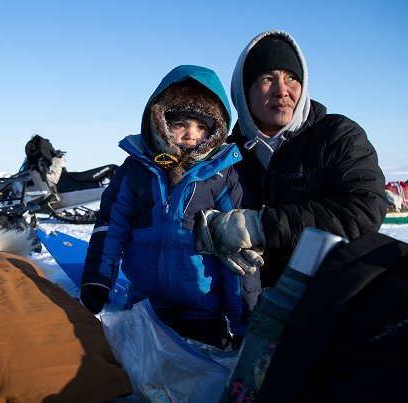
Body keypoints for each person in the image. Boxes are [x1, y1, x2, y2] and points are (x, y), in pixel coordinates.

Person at [195, 30, 388, 295]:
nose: (282, 91)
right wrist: (213, 233)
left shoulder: (336, 135)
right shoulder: (226, 153)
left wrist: (260, 226)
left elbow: (363, 210)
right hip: (253, 304)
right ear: (243, 90)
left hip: (329, 298)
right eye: (266, 79)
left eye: (292, 78)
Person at [79, 65, 256, 349]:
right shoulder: (137, 170)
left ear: (215, 131)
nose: (191, 135)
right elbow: (111, 226)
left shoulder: (222, 176)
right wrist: (98, 280)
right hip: (147, 306)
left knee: (200, 383)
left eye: (201, 127)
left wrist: (244, 320)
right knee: (143, 381)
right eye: (181, 124)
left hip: (204, 309)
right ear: (160, 123)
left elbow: (238, 251)